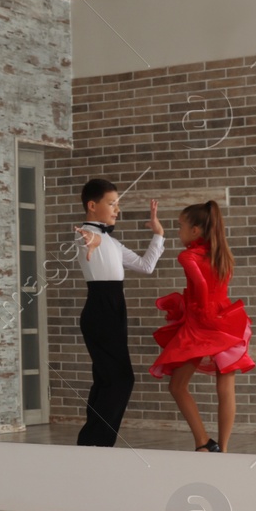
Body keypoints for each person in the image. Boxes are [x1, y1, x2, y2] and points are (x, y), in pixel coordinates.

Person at [148, 201, 254, 452]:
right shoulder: (222, 254)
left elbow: (201, 285)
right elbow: (215, 287)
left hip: (202, 323)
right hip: (229, 320)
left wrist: (202, 310)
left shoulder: (187, 256)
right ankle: (223, 449)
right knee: (226, 388)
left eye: (180, 226)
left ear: (195, 230)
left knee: (177, 385)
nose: (178, 231)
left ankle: (203, 442)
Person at [73, 179, 164, 447]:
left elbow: (146, 266)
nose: (117, 209)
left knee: (106, 379)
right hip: (102, 310)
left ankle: (93, 445)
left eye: (117, 204)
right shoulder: (86, 234)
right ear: (92, 205)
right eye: (111, 203)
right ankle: (96, 443)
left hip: (113, 310)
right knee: (120, 379)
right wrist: (89, 240)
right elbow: (87, 238)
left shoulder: (112, 242)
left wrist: (158, 234)